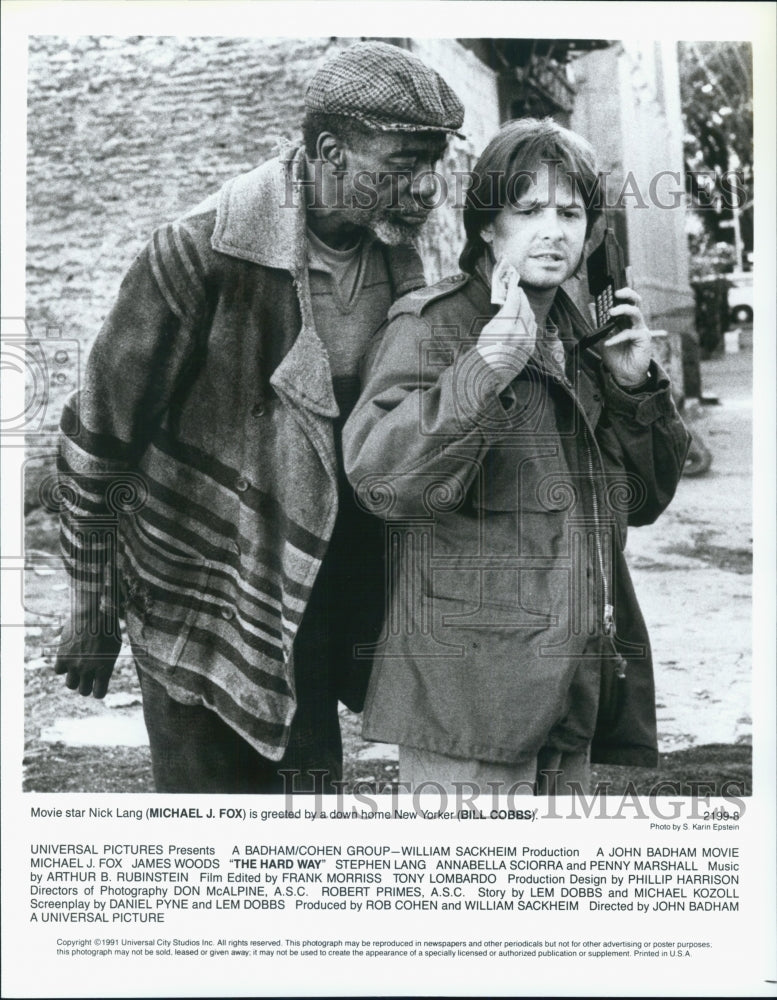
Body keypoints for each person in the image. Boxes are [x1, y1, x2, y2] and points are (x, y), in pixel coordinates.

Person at [54, 41, 464, 793]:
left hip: (313, 592)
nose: (426, 187)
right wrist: (89, 604)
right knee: (209, 822)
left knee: (303, 811)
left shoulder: (400, 260)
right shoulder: (197, 254)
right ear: (328, 151)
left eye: (435, 160)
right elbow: (99, 434)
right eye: (403, 162)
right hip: (197, 592)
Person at [343, 118, 692, 797]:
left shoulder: (580, 333)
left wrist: (631, 388)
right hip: (470, 695)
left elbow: (644, 502)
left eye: (570, 213)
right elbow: (377, 477)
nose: (553, 231)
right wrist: (484, 367)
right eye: (527, 210)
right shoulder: (434, 325)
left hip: (571, 683)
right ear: (486, 226)